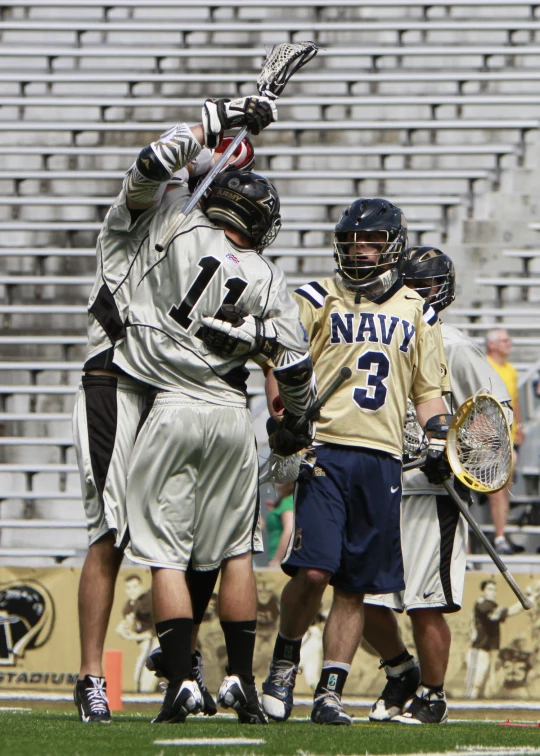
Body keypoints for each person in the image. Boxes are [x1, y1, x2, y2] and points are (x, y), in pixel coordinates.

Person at [111, 97, 318, 725]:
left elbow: (153, 162)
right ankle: (242, 686)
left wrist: (215, 117)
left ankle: (179, 683)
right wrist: (294, 425)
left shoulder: (172, 223)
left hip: (170, 404)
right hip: (230, 411)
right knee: (234, 554)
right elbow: (295, 367)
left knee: (166, 555)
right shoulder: (268, 275)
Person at [71, 99, 262, 724]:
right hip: (115, 381)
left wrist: (233, 145)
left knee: (192, 534)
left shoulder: (189, 236)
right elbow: (155, 160)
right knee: (111, 530)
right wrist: (221, 114)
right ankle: (91, 676)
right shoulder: (131, 219)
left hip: (171, 390)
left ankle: (172, 651)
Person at [260, 199, 451, 726]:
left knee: (354, 583)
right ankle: (283, 663)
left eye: (370, 243)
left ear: (392, 247)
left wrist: (438, 434)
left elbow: (429, 391)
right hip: (324, 449)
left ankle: (330, 690)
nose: (359, 252)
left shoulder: (418, 310)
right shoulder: (317, 298)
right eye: (351, 243)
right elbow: (280, 354)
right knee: (314, 568)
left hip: (383, 457)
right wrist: (283, 410)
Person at [362, 247, 512, 725]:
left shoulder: (457, 345)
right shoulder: (386, 334)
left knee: (425, 605)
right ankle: (401, 671)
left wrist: (453, 455)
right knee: (360, 600)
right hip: (380, 482)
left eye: (422, 286)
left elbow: (495, 416)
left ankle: (433, 694)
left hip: (432, 494)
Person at [485, 328, 525, 555]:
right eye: (504, 340)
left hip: (507, 438)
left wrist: (519, 426)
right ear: (492, 345)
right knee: (496, 491)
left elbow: (515, 400)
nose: (509, 343)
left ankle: (501, 534)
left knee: (504, 488)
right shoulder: (485, 365)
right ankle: (498, 537)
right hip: (490, 438)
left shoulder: (510, 369)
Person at [465, 579, 523, 698]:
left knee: (483, 690)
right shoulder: (482, 604)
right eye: (490, 589)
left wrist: (528, 599)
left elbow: (509, 612)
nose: (493, 592)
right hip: (477, 651)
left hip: (486, 652)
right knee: (473, 687)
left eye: (495, 590)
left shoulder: (491, 606)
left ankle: (474, 715)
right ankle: (463, 714)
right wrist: (526, 599)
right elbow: (509, 612)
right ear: (482, 591)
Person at [264, 483, 295, 567]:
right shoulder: (283, 500)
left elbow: (289, 530)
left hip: (282, 560)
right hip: (280, 559)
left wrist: (276, 560)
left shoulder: (287, 501)